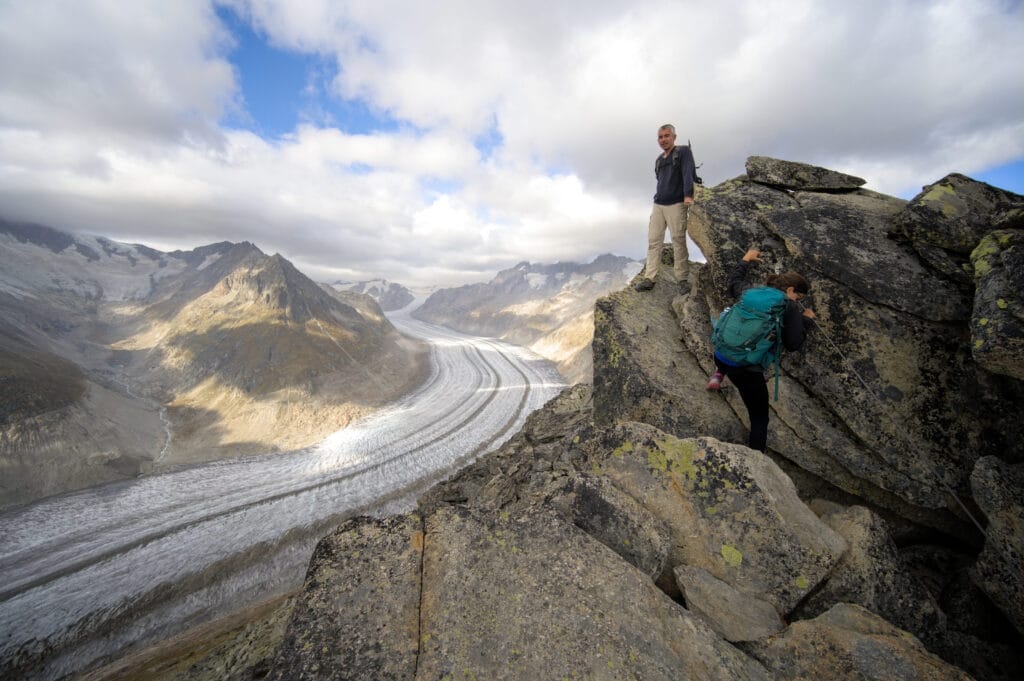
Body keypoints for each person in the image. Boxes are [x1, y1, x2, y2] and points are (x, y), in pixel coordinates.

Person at [707, 248, 816, 452]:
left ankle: (719, 373)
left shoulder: (750, 292)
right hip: (746, 369)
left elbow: (734, 282)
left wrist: (746, 260)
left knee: (730, 348)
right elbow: (793, 344)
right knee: (759, 419)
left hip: (721, 352)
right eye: (798, 298)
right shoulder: (787, 306)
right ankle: (756, 461)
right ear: (790, 290)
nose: (798, 303)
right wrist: (806, 321)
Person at [634, 123, 697, 293]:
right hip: (658, 204)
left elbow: (687, 172)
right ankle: (649, 278)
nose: (663, 140)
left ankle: (682, 279)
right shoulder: (659, 160)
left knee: (678, 240)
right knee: (654, 241)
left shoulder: (682, 152)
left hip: (677, 203)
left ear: (674, 137)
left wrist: (688, 195)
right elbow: (659, 179)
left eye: (666, 136)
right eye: (660, 137)